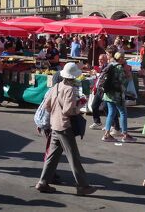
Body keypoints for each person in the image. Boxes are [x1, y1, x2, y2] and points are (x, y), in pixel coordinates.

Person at [35, 62, 97, 196]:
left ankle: (43, 182)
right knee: (74, 157)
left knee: (52, 155)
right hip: (64, 126)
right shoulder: (69, 89)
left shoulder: (56, 86)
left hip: (54, 125)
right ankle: (83, 186)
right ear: (73, 77)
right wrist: (78, 107)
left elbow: (46, 105)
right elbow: (68, 110)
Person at [101, 53, 136, 143]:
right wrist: (128, 76)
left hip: (108, 93)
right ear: (120, 59)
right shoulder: (119, 67)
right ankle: (125, 135)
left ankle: (106, 134)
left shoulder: (110, 65)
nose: (124, 59)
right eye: (123, 58)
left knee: (111, 113)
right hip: (116, 95)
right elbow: (123, 82)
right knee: (123, 112)